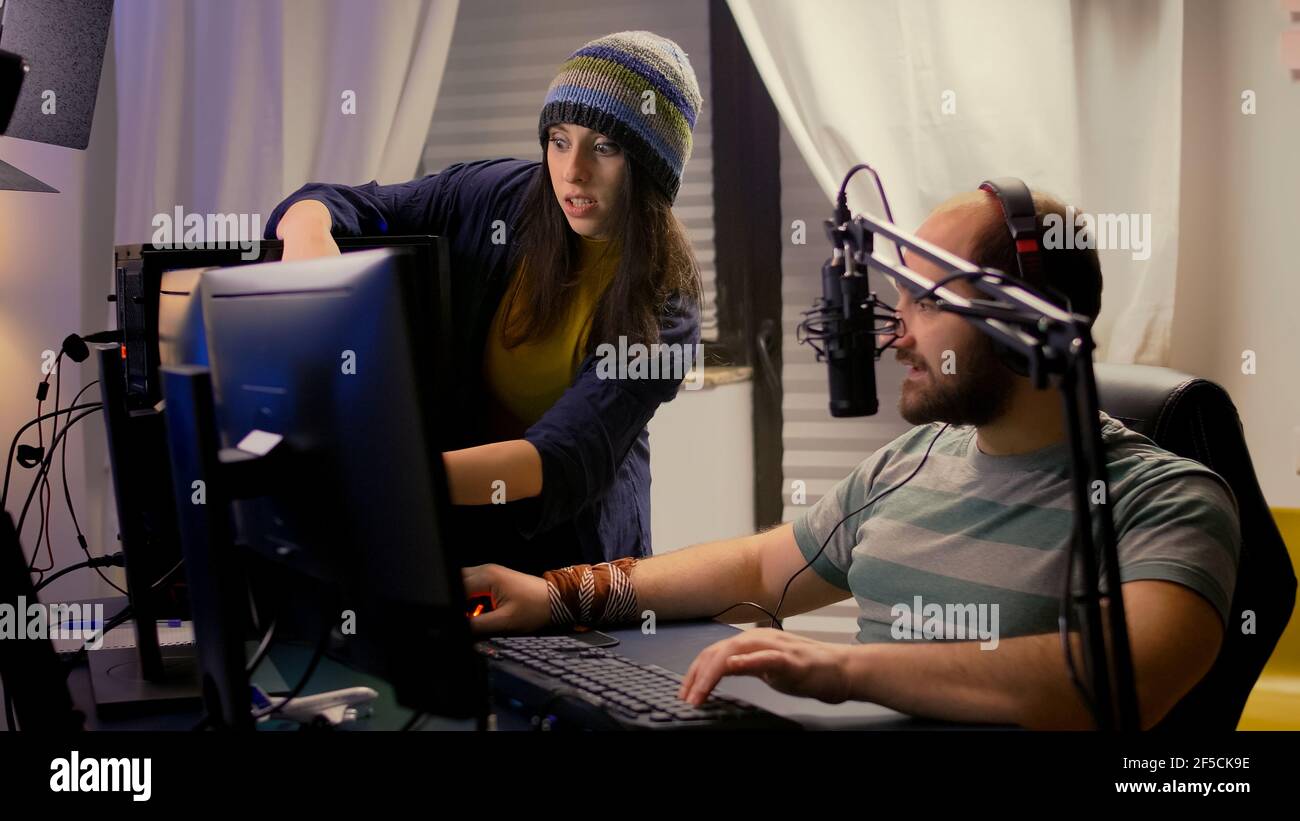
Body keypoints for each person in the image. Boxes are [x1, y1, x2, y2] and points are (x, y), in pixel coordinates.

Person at [462, 187, 1241, 730]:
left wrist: (845, 670)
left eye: (927, 301)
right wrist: (556, 595)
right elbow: (755, 569)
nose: (897, 329)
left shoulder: (1169, 498)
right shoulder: (912, 461)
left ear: (1014, 322)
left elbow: (1121, 683)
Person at [266, 32, 705, 574]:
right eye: (559, 140)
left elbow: (563, 457)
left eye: (605, 147)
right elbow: (360, 203)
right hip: (454, 529)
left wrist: (388, 480)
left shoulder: (668, 302)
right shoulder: (497, 198)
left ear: (652, 169)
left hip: (571, 563)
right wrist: (308, 229)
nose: (572, 171)